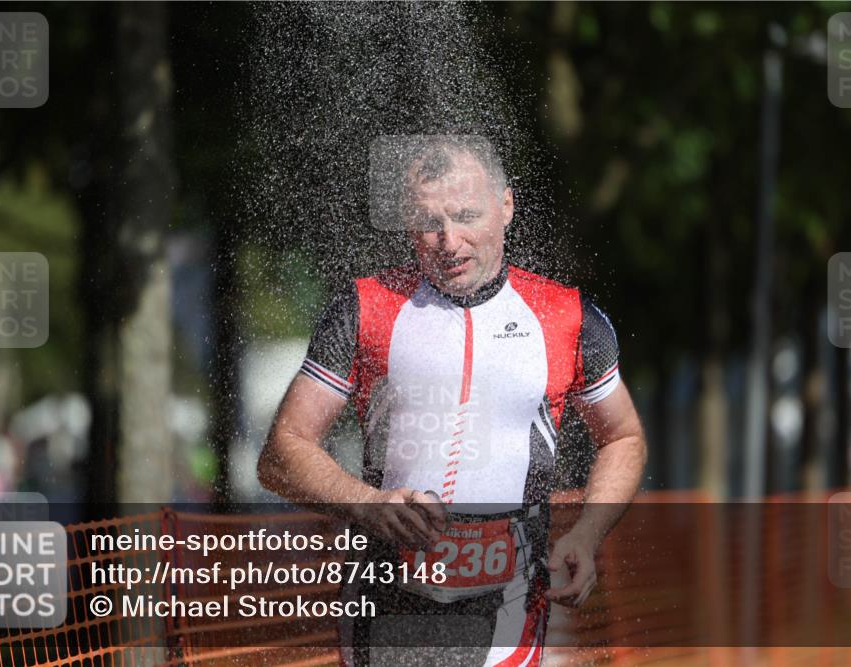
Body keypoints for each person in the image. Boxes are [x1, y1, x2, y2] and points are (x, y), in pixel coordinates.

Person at [258, 135, 647, 666]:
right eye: (427, 221)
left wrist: (587, 532)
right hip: (386, 607)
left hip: (510, 607)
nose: (448, 240)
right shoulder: (365, 308)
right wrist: (367, 504)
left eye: (466, 215)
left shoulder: (568, 317)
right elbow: (281, 452)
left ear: (506, 206)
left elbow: (623, 436)